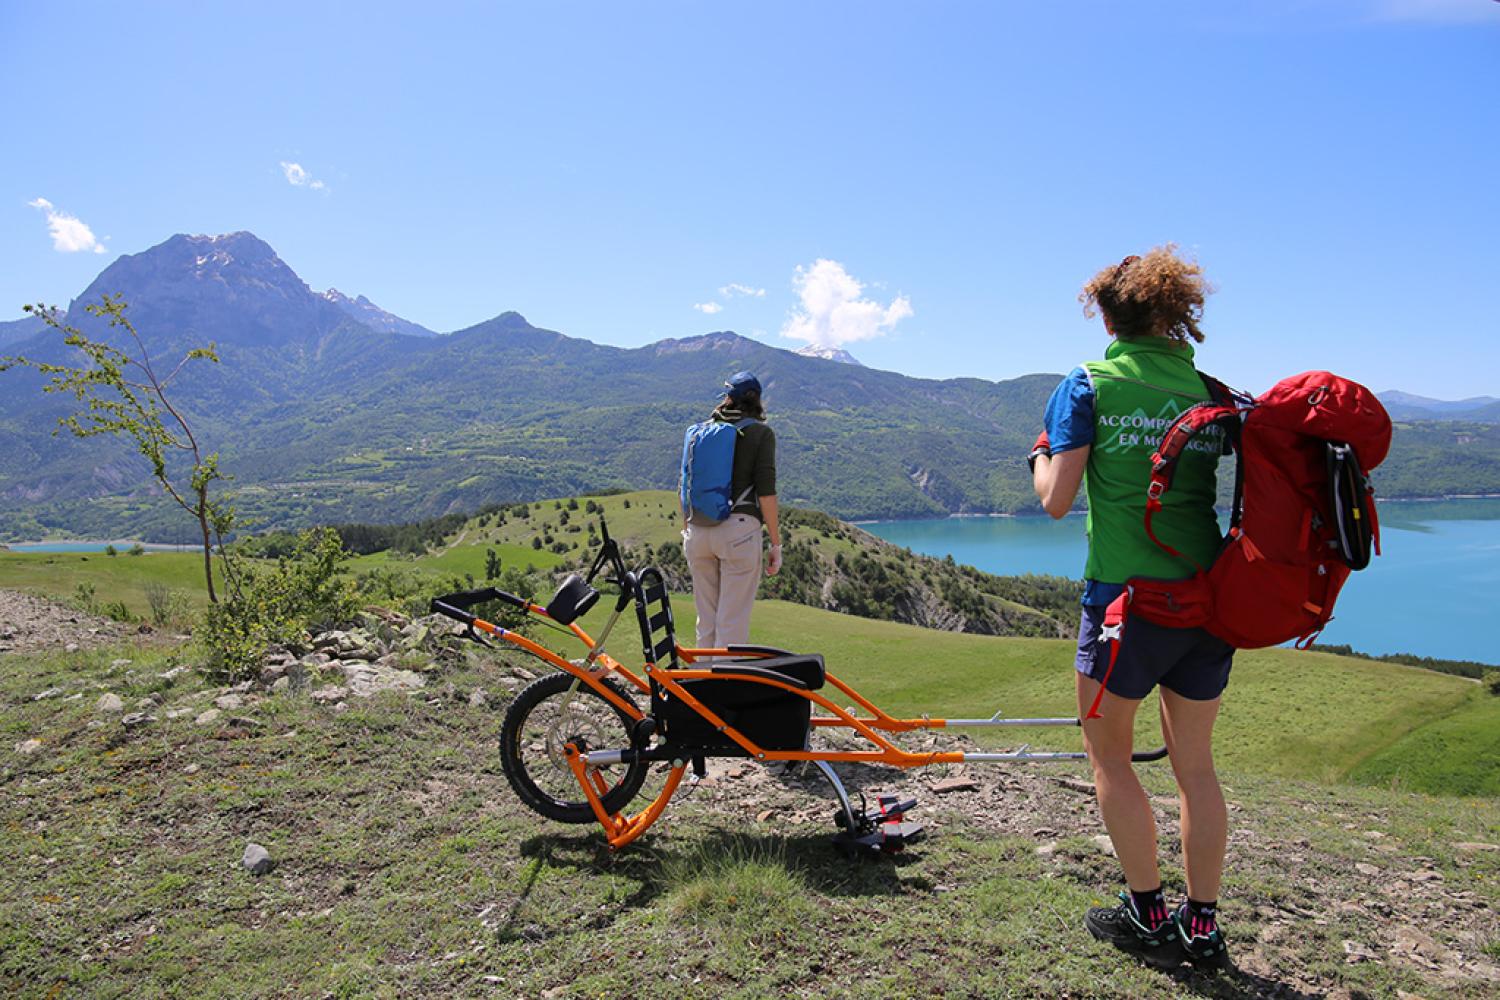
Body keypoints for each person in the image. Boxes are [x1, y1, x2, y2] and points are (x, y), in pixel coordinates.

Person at [1029, 245, 1233, 972]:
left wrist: (1041, 454)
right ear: (1171, 311)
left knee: (1109, 755)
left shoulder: (1089, 383)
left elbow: (1055, 500)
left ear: (1109, 315)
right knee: (1196, 767)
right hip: (1207, 602)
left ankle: (1146, 911)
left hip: (1123, 603)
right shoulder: (1206, 386)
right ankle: (1202, 925)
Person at [681, 371, 782, 650]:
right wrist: (775, 543)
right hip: (738, 530)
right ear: (757, 401)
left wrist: (687, 528)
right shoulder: (760, 433)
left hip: (698, 530)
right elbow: (766, 492)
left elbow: (684, 482)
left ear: (727, 398)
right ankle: (724, 689)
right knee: (732, 625)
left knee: (707, 621)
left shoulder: (698, 432)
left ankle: (702, 690)